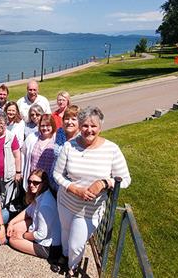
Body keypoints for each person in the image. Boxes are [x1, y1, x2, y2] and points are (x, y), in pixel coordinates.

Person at [53, 106, 131, 277]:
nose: (89, 130)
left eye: (93, 126)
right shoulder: (69, 146)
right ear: (80, 126)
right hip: (66, 202)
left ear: (100, 127)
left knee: (76, 244)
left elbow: (125, 179)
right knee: (65, 233)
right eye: (85, 126)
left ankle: (72, 268)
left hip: (90, 210)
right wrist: (73, 188)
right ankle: (65, 257)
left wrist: (104, 182)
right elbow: (57, 174)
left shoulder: (111, 149)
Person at [7, 169, 61, 260]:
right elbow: (28, 211)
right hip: (41, 233)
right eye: (30, 182)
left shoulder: (45, 205)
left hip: (48, 247)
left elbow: (41, 235)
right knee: (14, 228)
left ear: (44, 183)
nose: (31, 185)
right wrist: (11, 223)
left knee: (12, 240)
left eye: (36, 183)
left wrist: (23, 236)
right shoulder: (42, 194)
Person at [21, 114, 57, 192]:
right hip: (34, 181)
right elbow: (23, 154)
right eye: (42, 126)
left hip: (49, 182)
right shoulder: (32, 138)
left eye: (48, 125)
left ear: (53, 126)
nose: (45, 128)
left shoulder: (56, 140)